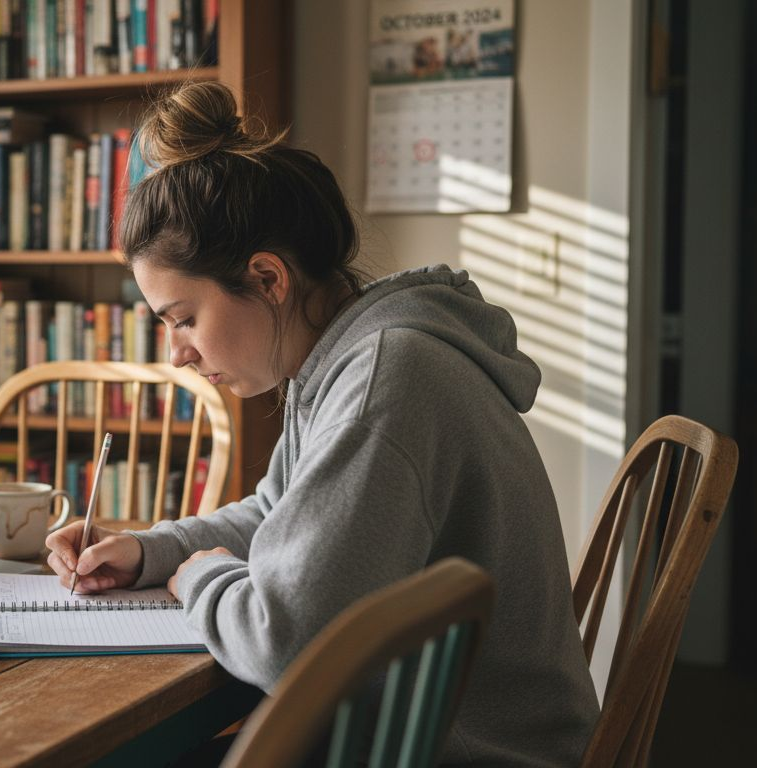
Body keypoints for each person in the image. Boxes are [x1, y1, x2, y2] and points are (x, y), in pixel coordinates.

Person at [45, 81, 599, 766]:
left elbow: (290, 644)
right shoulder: (353, 356)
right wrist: (148, 552)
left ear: (269, 278)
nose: (178, 354)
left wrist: (199, 579)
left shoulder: (384, 381)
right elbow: (280, 515)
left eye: (184, 319)